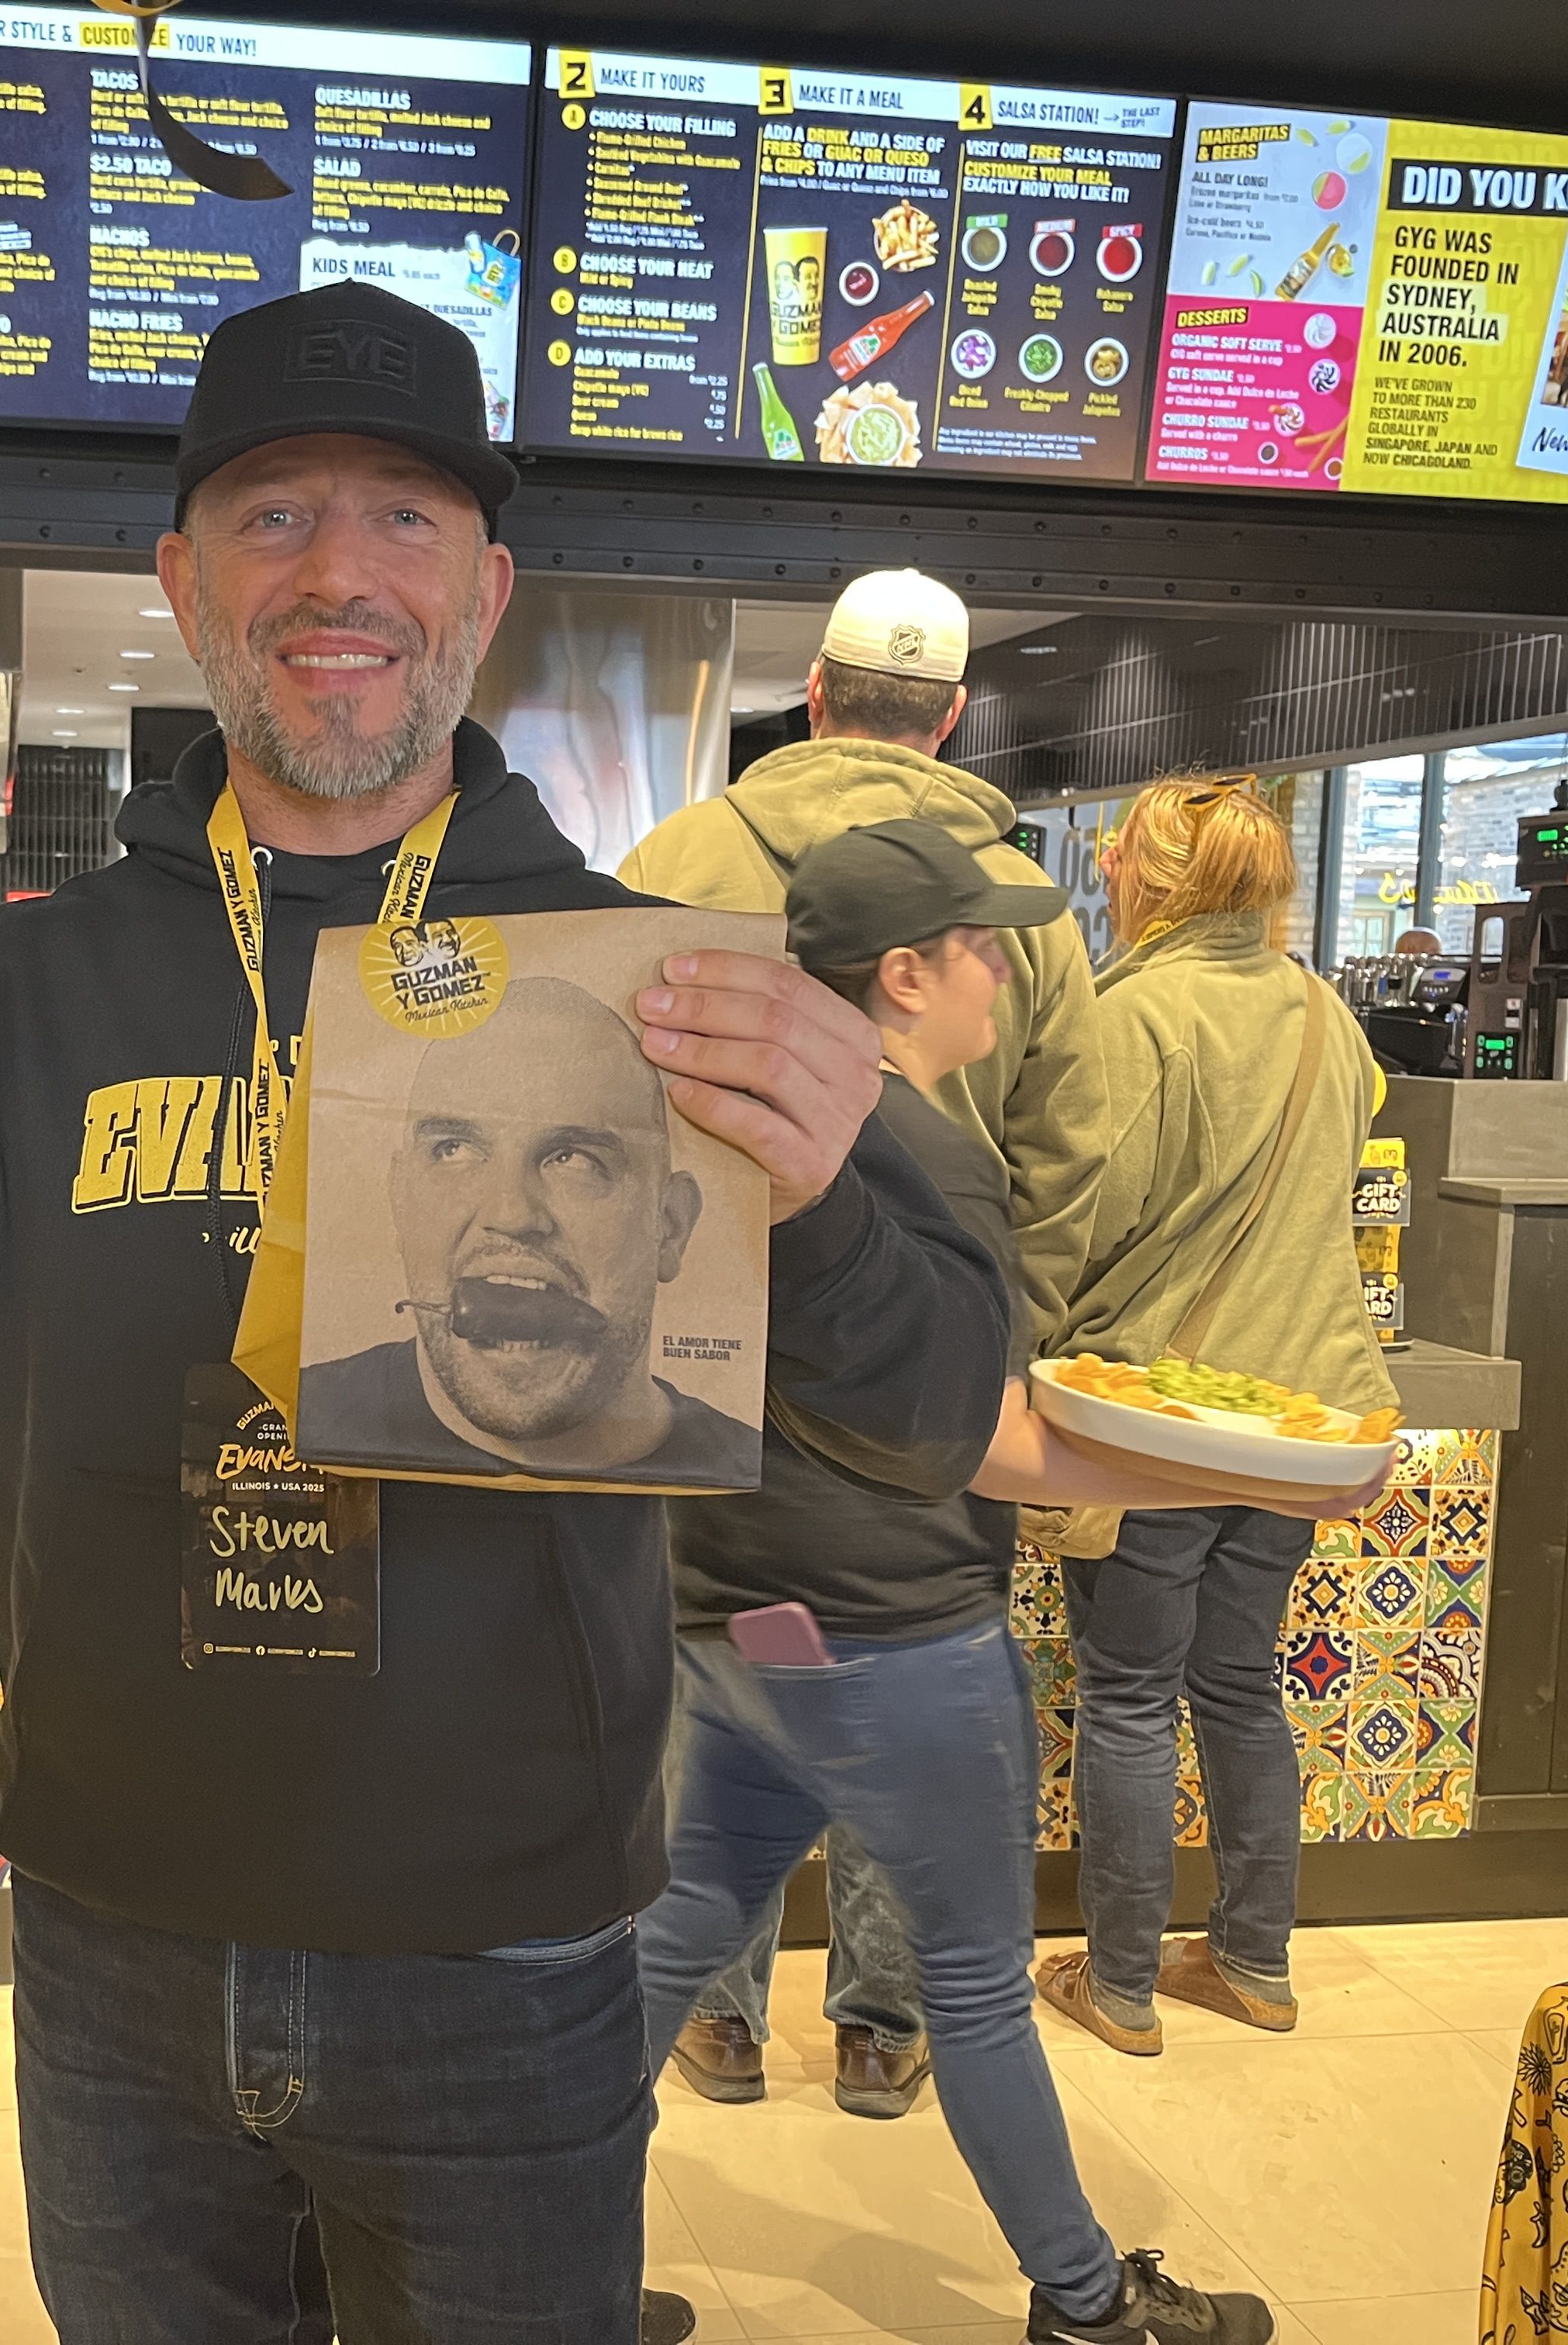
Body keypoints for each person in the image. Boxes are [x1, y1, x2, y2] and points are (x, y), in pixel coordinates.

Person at [0, 281, 1012, 2345]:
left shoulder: (665, 982)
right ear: (183, 583)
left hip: (514, 1957)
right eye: (273, 518)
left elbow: (935, 1418)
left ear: (490, 587)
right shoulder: (23, 989)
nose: (338, 574)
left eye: (404, 519)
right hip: (114, 1946)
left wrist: (810, 1203)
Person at [639, 817, 1336, 2344]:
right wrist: (1256, 1467)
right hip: (893, 1648)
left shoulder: (731, 1127)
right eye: (980, 947)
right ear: (903, 975)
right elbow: (985, 1445)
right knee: (973, 1975)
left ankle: (527, 2249)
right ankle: (1089, 2306)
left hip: (755, 1622)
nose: (1003, 975)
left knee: (676, 1933)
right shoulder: (929, 1157)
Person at [623, 566, 1110, 2120]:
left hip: (717, 1394)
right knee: (921, 1678)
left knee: (747, 1681)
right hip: (936, 1412)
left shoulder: (684, 852)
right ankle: (887, 2027)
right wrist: (1007, 1348)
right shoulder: (1010, 887)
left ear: (814, 695)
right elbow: (1080, 1156)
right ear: (953, 718)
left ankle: (713, 2014)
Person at [1036, 775, 1398, 2059]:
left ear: (1150, 874)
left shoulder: (1131, 1012)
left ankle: (1120, 1980)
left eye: (1117, 850)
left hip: (1163, 1415)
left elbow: (1086, 1214)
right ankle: (1252, 1962)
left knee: (1129, 1689)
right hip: (1302, 1414)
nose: (1109, 867)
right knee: (1240, 1683)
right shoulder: (1323, 1014)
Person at [298, 975, 753, 1485]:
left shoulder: (749, 1473)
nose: (512, 1216)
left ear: (670, 1227)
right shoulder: (293, 1415)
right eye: (455, 1150)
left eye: (573, 1159)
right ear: (401, 1201)